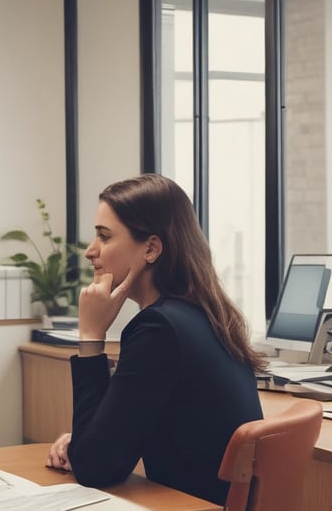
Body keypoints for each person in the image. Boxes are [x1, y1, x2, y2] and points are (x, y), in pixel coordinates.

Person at [45, 173, 265, 505]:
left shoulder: (159, 330)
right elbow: (114, 437)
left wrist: (91, 335)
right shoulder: (205, 315)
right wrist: (87, 441)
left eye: (104, 237)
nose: (90, 251)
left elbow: (95, 469)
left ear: (151, 248)